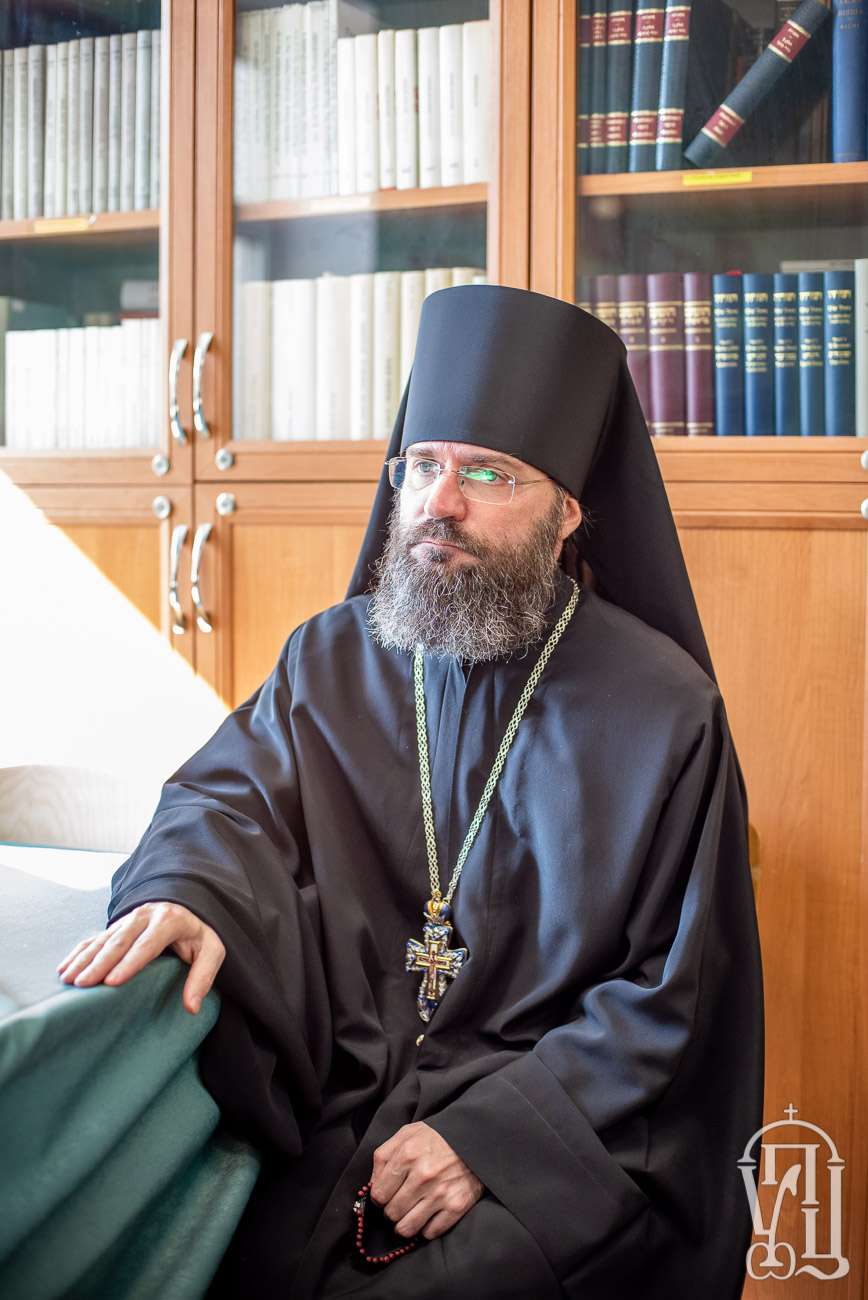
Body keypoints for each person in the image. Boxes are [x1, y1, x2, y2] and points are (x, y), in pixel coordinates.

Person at [59, 286, 763, 1299]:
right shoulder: (331, 655)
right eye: (423, 465)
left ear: (567, 512)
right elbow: (228, 800)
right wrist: (187, 886)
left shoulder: (665, 711)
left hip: (558, 1123)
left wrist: (493, 1137)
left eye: (486, 474)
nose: (441, 501)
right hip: (342, 1088)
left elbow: (678, 993)